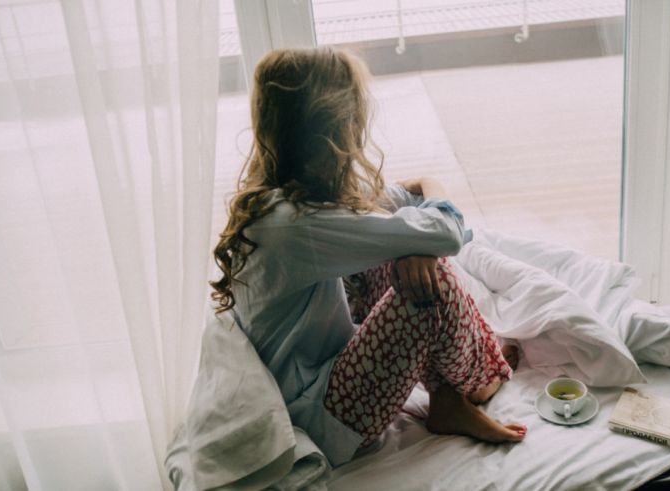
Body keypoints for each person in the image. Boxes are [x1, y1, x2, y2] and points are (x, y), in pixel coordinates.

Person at [210, 47, 526, 467]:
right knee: (434, 278)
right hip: (322, 415)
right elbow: (445, 233)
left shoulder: (286, 197)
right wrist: (432, 190)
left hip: (320, 380)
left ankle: (449, 396)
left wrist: (413, 234)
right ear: (335, 125)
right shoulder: (294, 224)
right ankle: (477, 382)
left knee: (402, 255)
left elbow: (392, 203)